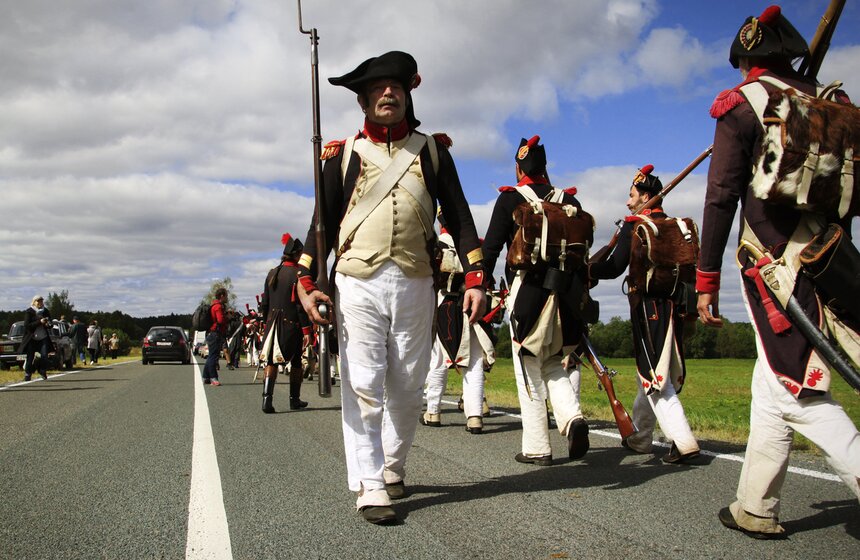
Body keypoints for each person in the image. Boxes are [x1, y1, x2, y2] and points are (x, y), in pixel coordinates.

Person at [295, 51, 486, 525]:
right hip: (356, 281)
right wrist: (305, 278)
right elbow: (322, 223)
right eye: (378, 89)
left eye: (395, 87)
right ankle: (371, 483)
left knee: (408, 384)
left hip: (416, 280)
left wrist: (476, 276)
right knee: (363, 383)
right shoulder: (343, 156)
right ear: (362, 101)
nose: (388, 94)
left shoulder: (433, 151)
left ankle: (392, 465)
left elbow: (460, 216)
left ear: (407, 95)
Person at [696, 5, 860, 539]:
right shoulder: (827, 103)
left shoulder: (742, 104)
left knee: (798, 391)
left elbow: (721, 196)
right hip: (831, 256)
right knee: (772, 386)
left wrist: (706, 279)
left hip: (774, 265)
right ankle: (755, 506)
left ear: (748, 60)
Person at [482, 135, 590, 467]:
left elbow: (491, 248)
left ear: (519, 169)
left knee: (527, 365)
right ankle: (572, 417)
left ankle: (537, 446)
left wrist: (482, 284)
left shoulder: (510, 199)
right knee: (553, 361)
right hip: (566, 294)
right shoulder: (568, 201)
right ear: (544, 167)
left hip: (527, 290)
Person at [589, 165, 699, 463]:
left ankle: (683, 441)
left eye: (632, 195)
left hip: (649, 308)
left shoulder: (635, 225)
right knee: (648, 374)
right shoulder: (675, 226)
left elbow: (614, 268)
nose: (628, 202)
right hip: (678, 306)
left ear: (646, 197)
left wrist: (585, 269)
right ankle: (640, 438)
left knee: (655, 378)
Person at [422, 221, 496, 434]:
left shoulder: (436, 244)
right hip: (471, 306)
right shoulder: (474, 246)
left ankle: (433, 412)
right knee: (473, 364)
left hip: (443, 305)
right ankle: (475, 417)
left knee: (437, 362)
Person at [259, 233, 312, 413]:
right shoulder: (298, 274)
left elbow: (265, 304)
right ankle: (294, 400)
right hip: (292, 326)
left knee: (271, 362)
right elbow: (300, 306)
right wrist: (307, 330)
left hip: (271, 325)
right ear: (296, 254)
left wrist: (265, 324)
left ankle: (267, 400)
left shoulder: (272, 273)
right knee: (296, 362)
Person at [19, 295, 53, 381]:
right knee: (30, 357)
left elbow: (50, 323)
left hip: (43, 337)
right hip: (32, 338)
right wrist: (39, 322)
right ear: (34, 302)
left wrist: (48, 324)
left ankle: (42, 371)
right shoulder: (29, 311)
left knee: (44, 356)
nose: (40, 303)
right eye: (38, 301)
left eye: (41, 301)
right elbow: (27, 326)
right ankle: (28, 374)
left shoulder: (45, 311)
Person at [202, 288, 228, 386]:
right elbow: (220, 320)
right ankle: (213, 378)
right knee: (213, 356)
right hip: (215, 333)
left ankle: (206, 377)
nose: (227, 298)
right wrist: (227, 318)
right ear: (222, 296)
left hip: (211, 333)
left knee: (211, 356)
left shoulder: (213, 305)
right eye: (226, 296)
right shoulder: (218, 307)